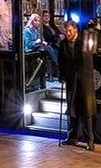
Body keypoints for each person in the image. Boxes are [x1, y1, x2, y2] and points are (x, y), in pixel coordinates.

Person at [58, 21, 96, 151]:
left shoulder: (85, 40)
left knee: (87, 110)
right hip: (71, 80)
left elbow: (91, 53)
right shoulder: (63, 44)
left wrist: (94, 29)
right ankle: (72, 137)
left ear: (75, 29)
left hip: (85, 81)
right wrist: (62, 75)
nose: (67, 33)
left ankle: (89, 140)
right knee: (72, 110)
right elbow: (61, 62)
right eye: (65, 31)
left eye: (69, 31)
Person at [41, 10, 62, 78]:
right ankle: (57, 71)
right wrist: (57, 37)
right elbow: (48, 36)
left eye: (48, 16)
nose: (47, 17)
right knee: (54, 51)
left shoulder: (52, 25)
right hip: (50, 43)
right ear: (42, 17)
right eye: (45, 16)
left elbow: (58, 32)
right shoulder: (42, 27)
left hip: (57, 42)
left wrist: (60, 36)